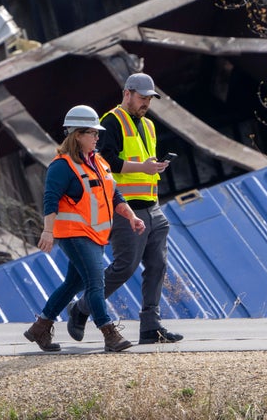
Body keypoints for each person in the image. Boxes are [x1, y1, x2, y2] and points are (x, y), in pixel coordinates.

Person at [66, 72, 184, 345]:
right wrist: (143, 167)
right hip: (126, 208)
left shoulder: (149, 126)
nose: (146, 103)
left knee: (157, 265)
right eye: (142, 98)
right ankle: (81, 308)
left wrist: (153, 167)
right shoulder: (110, 121)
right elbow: (105, 161)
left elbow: (140, 162)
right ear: (127, 93)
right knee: (124, 267)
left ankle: (150, 327)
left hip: (153, 206)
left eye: (149, 99)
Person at [23, 104, 146, 353]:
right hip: (74, 235)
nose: (97, 137)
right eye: (92, 133)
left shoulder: (99, 162)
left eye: (97, 133)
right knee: (96, 281)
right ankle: (109, 333)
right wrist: (48, 231)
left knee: (72, 285)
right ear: (77, 134)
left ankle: (40, 328)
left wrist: (131, 216)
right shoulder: (62, 166)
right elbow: (50, 200)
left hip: (95, 235)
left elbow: (114, 195)